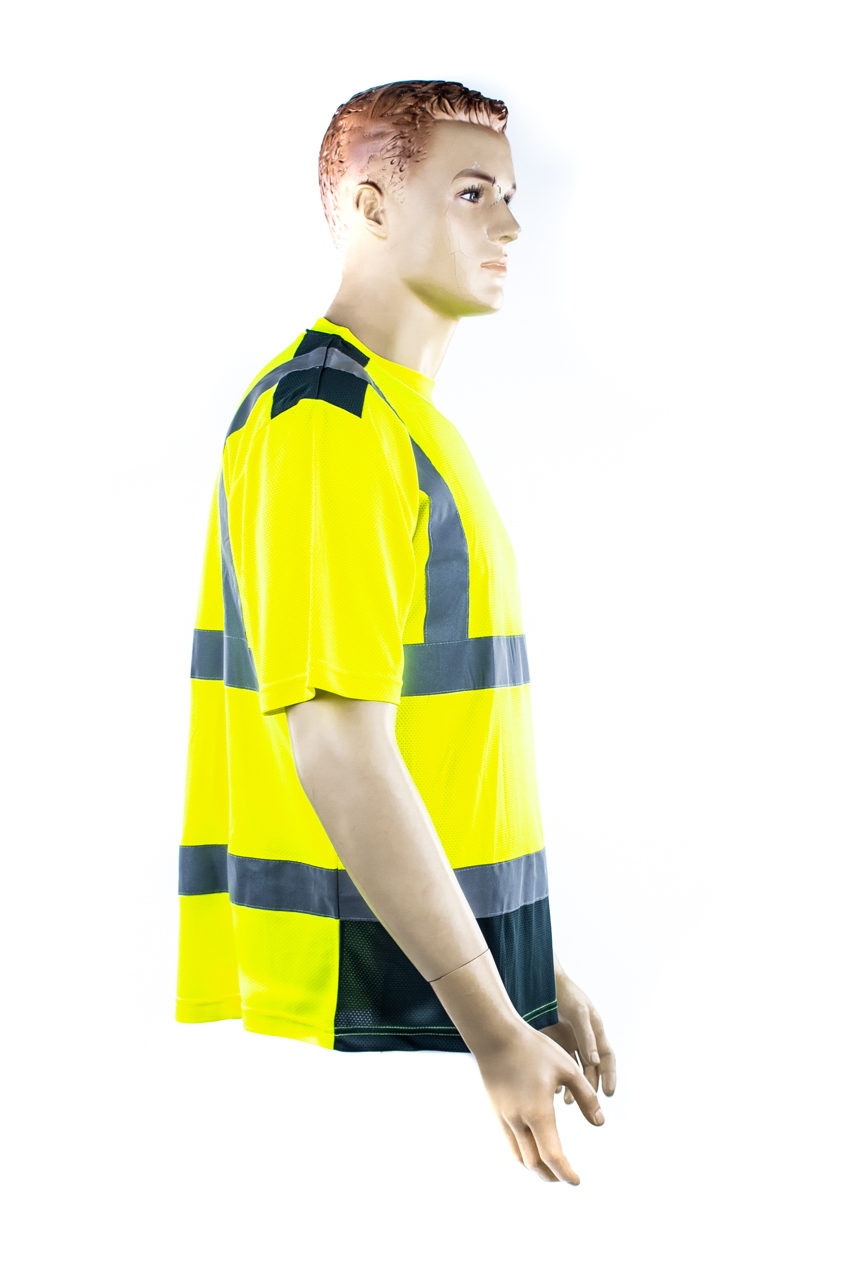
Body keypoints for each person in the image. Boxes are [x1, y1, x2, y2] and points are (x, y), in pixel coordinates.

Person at [175, 80, 616, 1185]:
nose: (510, 223)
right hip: (364, 1005)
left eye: (509, 194)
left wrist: (522, 969)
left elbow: (433, 743)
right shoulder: (328, 425)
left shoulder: (399, 419)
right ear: (371, 207)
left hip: (426, 997)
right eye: (472, 193)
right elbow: (338, 745)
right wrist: (490, 1021)